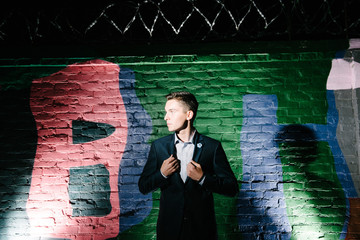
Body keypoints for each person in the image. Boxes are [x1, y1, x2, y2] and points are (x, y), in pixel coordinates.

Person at [138, 91, 239, 240]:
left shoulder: (212, 147)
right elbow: (143, 186)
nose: (166, 117)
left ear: (189, 115)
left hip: (202, 231)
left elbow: (232, 188)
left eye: (171, 111)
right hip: (169, 231)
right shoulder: (159, 147)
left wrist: (203, 178)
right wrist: (162, 174)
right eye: (166, 112)